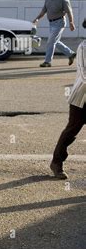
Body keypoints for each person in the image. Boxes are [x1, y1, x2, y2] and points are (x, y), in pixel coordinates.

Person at [49, 18, 86, 179]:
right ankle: (57, 162)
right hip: (81, 98)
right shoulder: (84, 47)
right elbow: (84, 75)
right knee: (72, 130)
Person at [33, 0, 76, 68]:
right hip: (51, 23)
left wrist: (71, 22)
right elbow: (43, 11)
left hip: (60, 22)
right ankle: (71, 54)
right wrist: (37, 19)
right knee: (55, 42)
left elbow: (69, 11)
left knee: (50, 41)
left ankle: (47, 62)